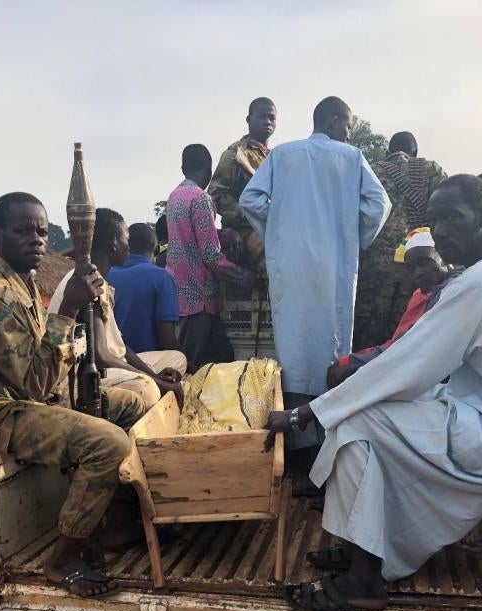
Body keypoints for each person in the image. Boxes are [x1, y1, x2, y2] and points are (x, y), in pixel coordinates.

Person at [263, 175, 482, 611]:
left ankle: (363, 579)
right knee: (381, 411)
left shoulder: (479, 283)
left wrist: (306, 413)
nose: (441, 231)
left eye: (452, 217)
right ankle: (369, 547)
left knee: (356, 420)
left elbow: (407, 365)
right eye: (435, 221)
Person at [0, 192, 145, 598]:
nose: (36, 239)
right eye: (23, 231)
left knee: (130, 404)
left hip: (24, 399)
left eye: (40, 231)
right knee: (109, 444)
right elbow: (32, 384)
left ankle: (115, 520)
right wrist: (67, 312)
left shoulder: (23, 283)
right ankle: (63, 559)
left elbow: (40, 372)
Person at [239, 96, 391, 459]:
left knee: (293, 347)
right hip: (333, 269)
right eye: (349, 125)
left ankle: (297, 442)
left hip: (289, 268)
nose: (349, 133)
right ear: (334, 120)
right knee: (332, 348)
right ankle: (328, 442)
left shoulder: (283, 155)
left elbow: (250, 200)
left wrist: (277, 232)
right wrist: (351, 238)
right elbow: (378, 205)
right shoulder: (352, 159)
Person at [48, 209, 186, 407]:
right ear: (113, 243)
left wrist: (154, 374)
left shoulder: (101, 281)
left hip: (114, 365)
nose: (129, 245)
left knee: (176, 359)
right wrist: (156, 382)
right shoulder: (86, 282)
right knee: (147, 389)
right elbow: (102, 357)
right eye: (125, 239)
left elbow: (122, 348)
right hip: (82, 376)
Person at [352, 132, 446, 350]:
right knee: (406, 331)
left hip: (371, 265)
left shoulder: (370, 171)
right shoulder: (431, 170)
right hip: (416, 264)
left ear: (388, 152)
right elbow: (444, 210)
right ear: (415, 153)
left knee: (366, 331)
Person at [326, 229, 455, 388]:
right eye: (411, 268)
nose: (418, 274)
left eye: (425, 263)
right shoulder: (426, 292)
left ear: (444, 258)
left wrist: (353, 362)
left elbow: (407, 346)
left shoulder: (454, 291)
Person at [166, 144, 255, 371]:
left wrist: (224, 234)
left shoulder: (175, 196)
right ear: (208, 168)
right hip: (200, 299)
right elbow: (211, 255)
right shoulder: (201, 199)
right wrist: (245, 277)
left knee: (206, 356)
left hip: (178, 294)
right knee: (192, 365)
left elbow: (191, 236)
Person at [208, 97, 277, 272]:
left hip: (274, 226)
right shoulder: (235, 154)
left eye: (272, 117)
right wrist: (248, 211)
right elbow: (215, 196)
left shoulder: (276, 157)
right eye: (262, 116)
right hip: (245, 230)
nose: (267, 121)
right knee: (276, 260)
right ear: (249, 120)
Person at [106, 222, 181, 354]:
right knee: (180, 359)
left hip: (112, 359)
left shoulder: (106, 275)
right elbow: (167, 340)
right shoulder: (162, 278)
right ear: (156, 250)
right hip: (148, 362)